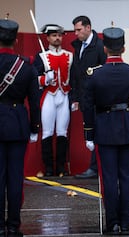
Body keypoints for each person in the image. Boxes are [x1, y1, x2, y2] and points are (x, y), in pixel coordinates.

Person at [83, 26, 129, 235]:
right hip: (128, 128)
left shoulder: (95, 75)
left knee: (109, 178)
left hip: (104, 129)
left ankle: (113, 223)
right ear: (124, 48)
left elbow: (87, 106)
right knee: (127, 178)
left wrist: (89, 134)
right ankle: (126, 224)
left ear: (105, 48)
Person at [0, 17, 40, 237]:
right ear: (16, 40)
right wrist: (34, 127)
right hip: (17, 124)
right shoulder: (25, 67)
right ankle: (13, 224)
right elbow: (34, 102)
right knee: (15, 178)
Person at [33, 24, 72, 177]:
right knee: (47, 132)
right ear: (48, 37)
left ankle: (61, 167)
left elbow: (73, 79)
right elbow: (34, 78)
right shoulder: (41, 56)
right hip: (49, 95)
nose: (57, 38)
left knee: (63, 132)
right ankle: (48, 167)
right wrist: (44, 79)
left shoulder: (70, 56)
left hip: (64, 95)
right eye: (54, 35)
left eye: (59, 35)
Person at [70, 15, 106, 179]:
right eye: (75, 30)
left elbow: (104, 72)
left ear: (88, 28)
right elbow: (76, 74)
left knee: (97, 132)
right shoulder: (79, 46)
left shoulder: (99, 46)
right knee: (90, 131)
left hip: (97, 98)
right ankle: (95, 166)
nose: (76, 33)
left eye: (79, 29)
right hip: (85, 97)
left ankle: (95, 167)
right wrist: (75, 97)